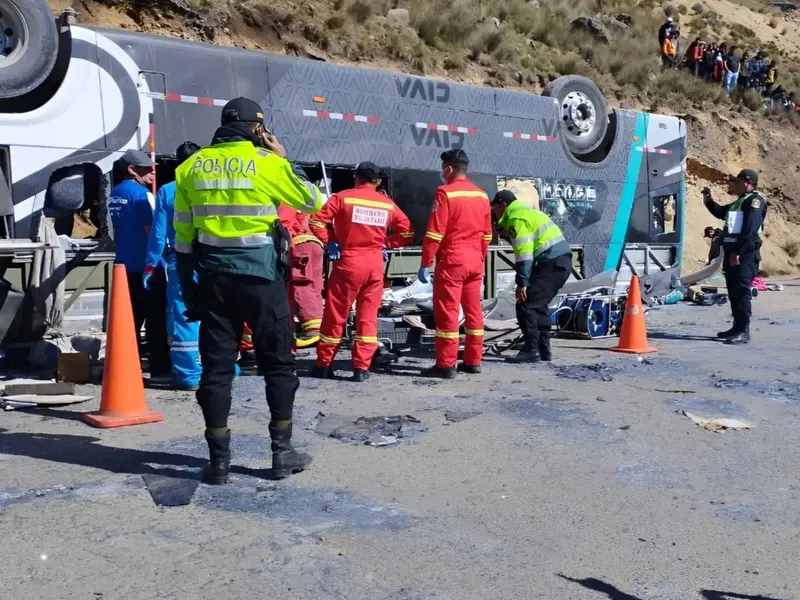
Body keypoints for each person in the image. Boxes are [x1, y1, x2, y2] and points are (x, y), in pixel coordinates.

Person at [173, 97, 323, 484]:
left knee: (217, 371)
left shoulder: (190, 168)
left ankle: (218, 462)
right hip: (261, 281)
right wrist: (285, 158)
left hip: (214, 282)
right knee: (278, 365)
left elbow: (184, 241)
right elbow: (313, 200)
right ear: (257, 129)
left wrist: (192, 292)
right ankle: (281, 452)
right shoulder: (266, 163)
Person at [309, 162, 414, 382]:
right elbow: (408, 232)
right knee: (367, 318)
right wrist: (387, 243)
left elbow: (316, 221)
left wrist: (331, 242)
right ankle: (361, 368)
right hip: (374, 264)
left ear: (355, 177)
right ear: (376, 181)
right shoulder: (386, 204)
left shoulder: (342, 198)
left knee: (336, 316)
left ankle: (324, 364)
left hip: (348, 263)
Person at [418, 149, 493, 379]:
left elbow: (434, 234)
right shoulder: (481, 195)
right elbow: (487, 236)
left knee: (448, 313)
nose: (442, 172)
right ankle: (473, 361)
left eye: (443, 168)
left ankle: (446, 365)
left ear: (449, 169)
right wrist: (478, 256)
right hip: (474, 262)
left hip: (452, 261)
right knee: (474, 313)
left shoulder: (445, 193)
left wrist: (425, 262)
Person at [143, 142, 204, 391]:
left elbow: (158, 236)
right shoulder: (210, 187)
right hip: (212, 258)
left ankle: (189, 375)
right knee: (216, 315)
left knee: (182, 315)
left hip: (180, 260)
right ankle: (222, 367)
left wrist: (150, 266)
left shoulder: (167, 191)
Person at [108, 149, 171, 379]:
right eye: (146, 168)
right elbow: (152, 232)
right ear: (132, 170)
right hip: (147, 267)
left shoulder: (115, 193)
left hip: (123, 265)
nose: (152, 172)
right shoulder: (142, 195)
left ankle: (125, 369)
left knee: (129, 321)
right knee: (156, 320)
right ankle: (160, 368)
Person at [490, 191, 571, 363]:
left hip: (551, 264)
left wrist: (522, 283)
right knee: (539, 305)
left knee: (526, 303)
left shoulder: (516, 219)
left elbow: (524, 254)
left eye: (494, 208)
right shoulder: (528, 213)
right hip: (558, 263)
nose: (493, 212)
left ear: (502, 205)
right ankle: (543, 349)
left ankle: (531, 350)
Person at [702, 169, 767, 345]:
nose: (733, 185)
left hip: (743, 255)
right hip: (732, 253)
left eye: (736, 182)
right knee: (733, 291)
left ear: (747, 182)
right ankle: (736, 327)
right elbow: (721, 213)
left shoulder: (755, 201)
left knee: (741, 292)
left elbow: (750, 230)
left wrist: (739, 253)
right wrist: (708, 200)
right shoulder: (739, 202)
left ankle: (743, 331)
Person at [278, 203, 325, 348]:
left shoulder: (286, 198)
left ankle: (313, 329)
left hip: (300, 245)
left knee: (301, 286)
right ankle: (313, 327)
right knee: (312, 285)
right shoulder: (308, 196)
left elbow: (284, 224)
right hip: (314, 244)